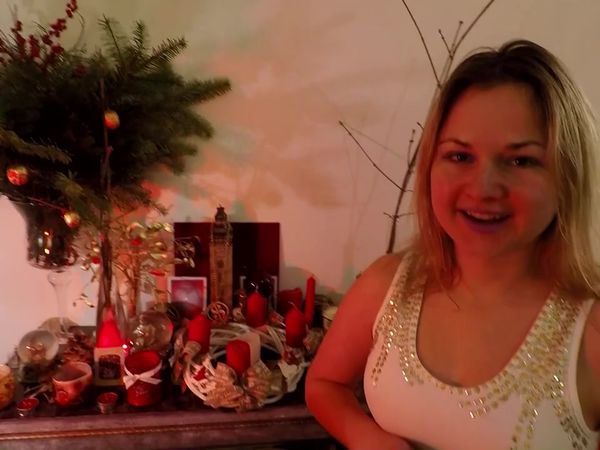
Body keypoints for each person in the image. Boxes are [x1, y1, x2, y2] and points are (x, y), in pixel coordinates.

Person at [305, 39, 600, 450]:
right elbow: (324, 384)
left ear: (567, 177)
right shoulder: (387, 284)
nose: (483, 188)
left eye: (521, 160)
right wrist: (368, 438)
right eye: (460, 157)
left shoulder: (590, 327)